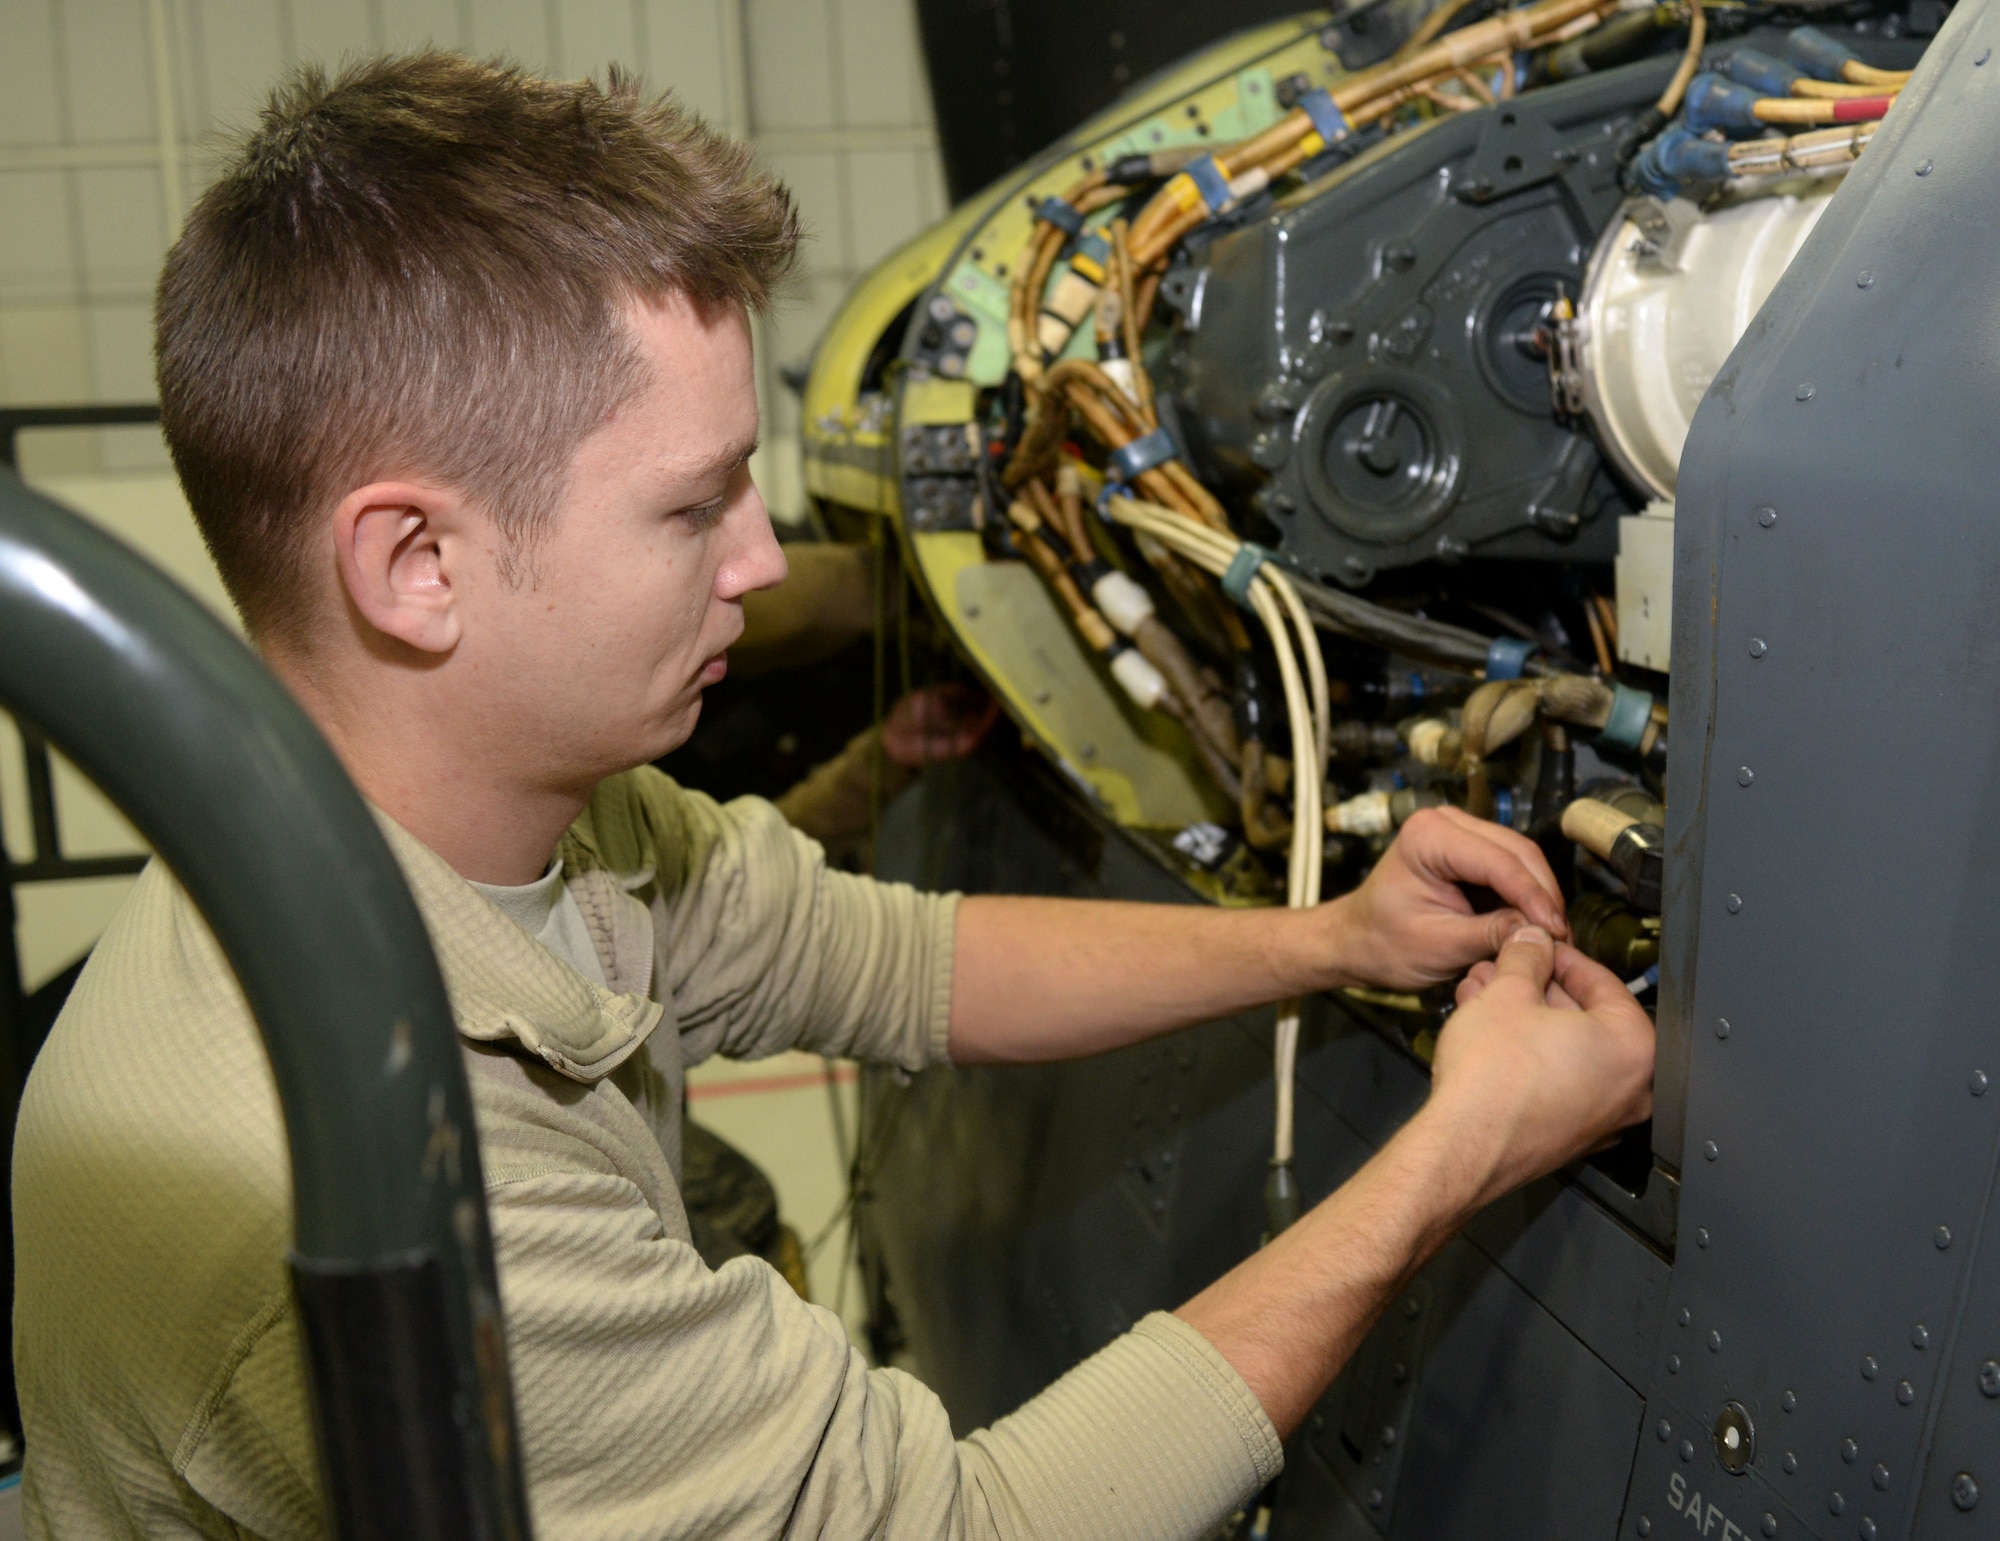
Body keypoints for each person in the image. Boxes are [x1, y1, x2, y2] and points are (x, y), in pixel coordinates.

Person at [9, 54, 1655, 1541]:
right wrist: (1462, 1148)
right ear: (415, 564)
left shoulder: (537, 821)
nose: (756, 564)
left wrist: (1328, 937)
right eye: (692, 506)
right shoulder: (371, 1194)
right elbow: (966, 1527)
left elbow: (892, 961)